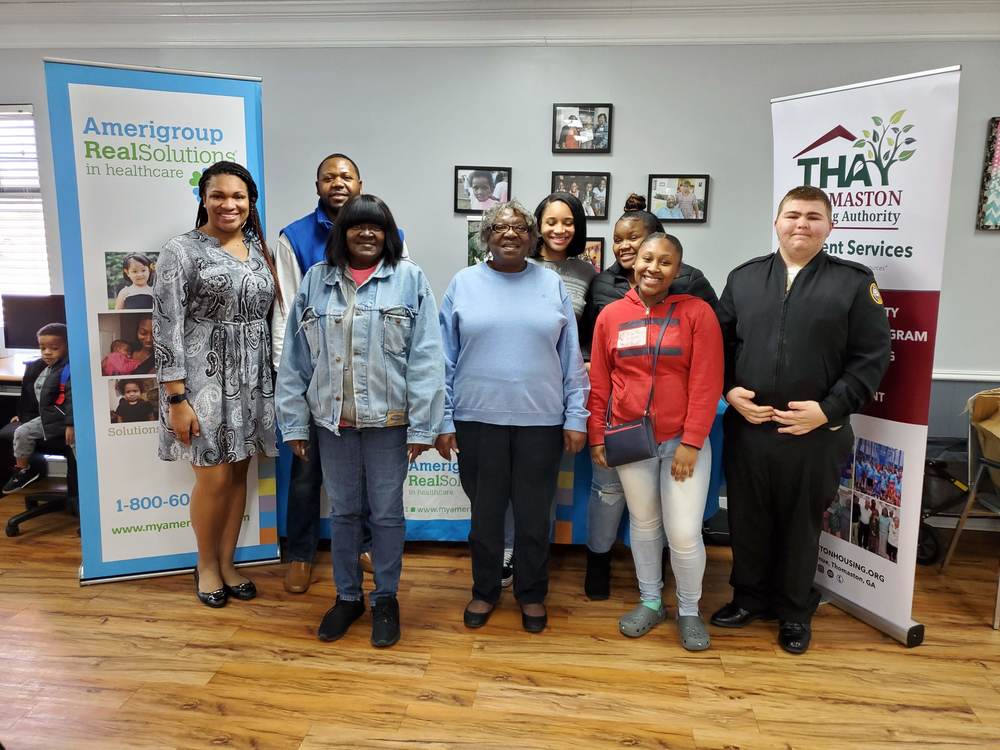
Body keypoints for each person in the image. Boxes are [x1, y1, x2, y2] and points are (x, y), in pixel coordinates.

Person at [711, 185, 891, 654]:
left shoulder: (853, 282)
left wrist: (828, 410)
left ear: (829, 226)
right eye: (793, 215)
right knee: (747, 519)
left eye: (814, 217)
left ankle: (793, 611)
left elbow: (871, 358)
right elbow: (720, 347)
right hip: (750, 427)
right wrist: (730, 392)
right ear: (777, 221)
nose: (802, 224)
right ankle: (748, 598)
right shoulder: (744, 278)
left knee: (799, 523)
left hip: (815, 433)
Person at [276, 194, 443, 648]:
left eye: (376, 227)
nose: (366, 234)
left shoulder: (410, 281)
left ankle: (385, 599)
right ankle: (347, 597)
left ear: (388, 234)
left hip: (389, 423)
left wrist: (425, 426)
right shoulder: (316, 281)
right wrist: (293, 424)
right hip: (334, 424)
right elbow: (295, 360)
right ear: (341, 233)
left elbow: (427, 357)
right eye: (356, 226)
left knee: (387, 516)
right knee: (345, 514)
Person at [436, 200, 589, 634]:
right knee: (484, 517)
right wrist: (444, 420)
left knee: (534, 514)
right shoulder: (463, 283)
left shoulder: (551, 284)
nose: (510, 233)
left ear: (532, 236)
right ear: (486, 236)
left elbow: (570, 356)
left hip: (541, 422)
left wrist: (576, 414)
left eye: (519, 226)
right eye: (500, 226)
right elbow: (444, 359)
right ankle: (484, 590)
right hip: (476, 419)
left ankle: (532, 593)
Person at [154, 160, 280, 609]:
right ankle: (205, 564)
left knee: (240, 471)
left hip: (252, 377)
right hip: (201, 378)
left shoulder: (258, 247)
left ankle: (228, 563)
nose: (229, 204)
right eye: (219, 195)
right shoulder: (181, 250)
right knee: (215, 477)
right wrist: (176, 397)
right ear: (203, 199)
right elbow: (166, 325)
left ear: (251, 203)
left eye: (239, 196)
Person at [578, 196, 718, 600]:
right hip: (627, 437)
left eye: (665, 262)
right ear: (634, 261)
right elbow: (601, 383)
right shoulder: (612, 315)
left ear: (678, 270)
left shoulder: (696, 312)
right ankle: (650, 600)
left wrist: (692, 442)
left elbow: (707, 383)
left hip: (679, 440)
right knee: (643, 524)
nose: (653, 268)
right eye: (646, 259)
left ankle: (689, 610)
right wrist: (598, 436)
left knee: (685, 533)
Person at [271, 153, 393, 594]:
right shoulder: (294, 237)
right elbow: (286, 313)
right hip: (315, 378)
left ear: (360, 182)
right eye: (328, 177)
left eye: (346, 176)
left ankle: (362, 547)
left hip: (368, 381)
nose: (337, 183)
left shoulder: (388, 233)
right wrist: (293, 382)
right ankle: (300, 555)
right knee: (306, 472)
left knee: (360, 472)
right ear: (317, 185)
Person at [1, 323, 70, 494]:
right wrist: (21, 415)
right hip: (49, 417)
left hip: (63, 419)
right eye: (42, 348)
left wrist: (71, 424)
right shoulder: (40, 367)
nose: (47, 352)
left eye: (54, 348)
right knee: (21, 431)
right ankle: (23, 471)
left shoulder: (68, 370)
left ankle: (85, 488)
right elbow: (31, 397)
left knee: (22, 432)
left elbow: (72, 400)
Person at [531, 192, 595, 321]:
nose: (559, 230)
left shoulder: (587, 272)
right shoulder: (521, 265)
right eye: (551, 223)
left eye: (568, 223)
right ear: (538, 226)